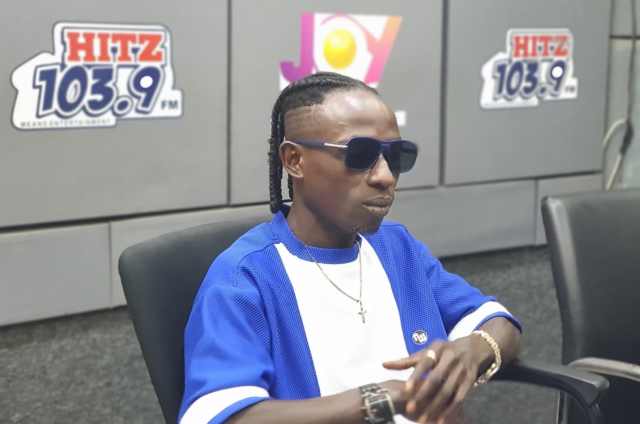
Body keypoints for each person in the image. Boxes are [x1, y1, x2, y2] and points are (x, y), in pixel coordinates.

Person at [178, 72, 522, 424]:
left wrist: (473, 349)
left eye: (396, 156)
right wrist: (379, 399)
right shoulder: (246, 276)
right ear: (294, 160)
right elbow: (222, 416)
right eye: (360, 154)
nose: (385, 176)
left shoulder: (396, 246)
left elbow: (499, 323)